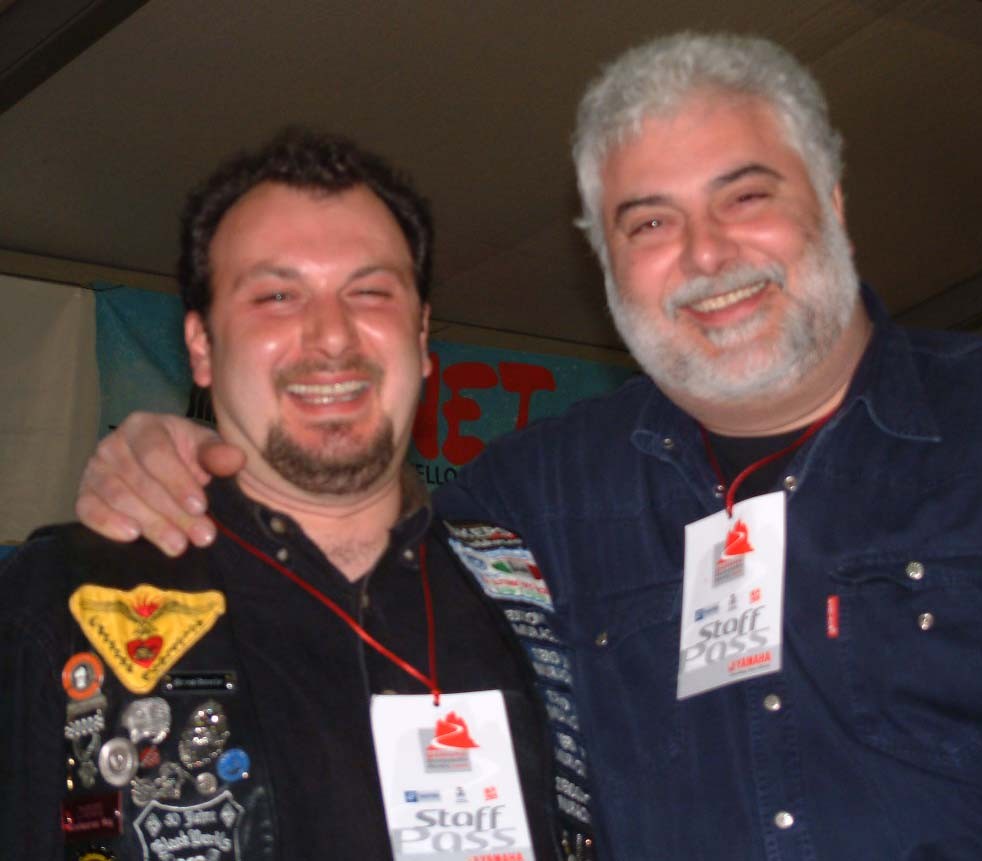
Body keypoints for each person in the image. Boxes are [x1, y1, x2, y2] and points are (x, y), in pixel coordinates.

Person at [73, 33, 982, 859]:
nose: (706, 254)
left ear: (830, 204)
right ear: (605, 264)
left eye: (745, 196)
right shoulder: (538, 494)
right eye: (649, 222)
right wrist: (184, 449)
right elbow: (339, 515)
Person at [0, 129, 598, 860]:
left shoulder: (537, 599)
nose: (331, 335)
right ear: (201, 346)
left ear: (421, 335)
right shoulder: (59, 601)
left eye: (369, 291)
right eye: (277, 296)